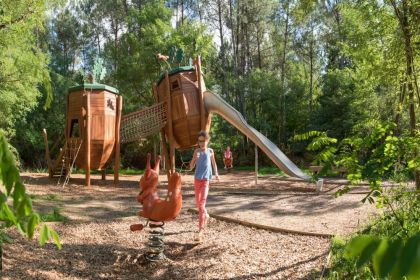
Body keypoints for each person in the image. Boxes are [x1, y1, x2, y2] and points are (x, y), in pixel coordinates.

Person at [189, 130, 219, 242]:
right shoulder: (196, 151)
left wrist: (216, 174)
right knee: (198, 204)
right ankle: (205, 214)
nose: (201, 143)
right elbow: (191, 168)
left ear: (208, 140)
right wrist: (194, 159)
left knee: (201, 204)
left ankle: (200, 231)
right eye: (199, 141)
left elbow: (214, 164)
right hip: (197, 180)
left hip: (206, 180)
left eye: (203, 141)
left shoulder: (211, 151)